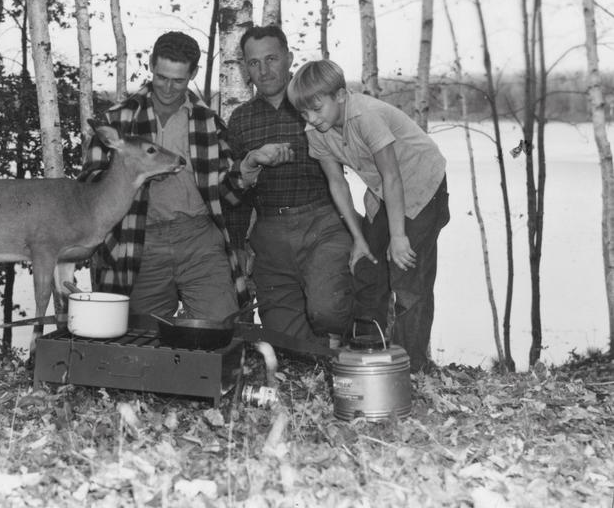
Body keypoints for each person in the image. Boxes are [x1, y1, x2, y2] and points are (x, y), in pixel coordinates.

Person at [286, 59, 449, 372]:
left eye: (316, 108)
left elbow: (393, 175)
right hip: (385, 192)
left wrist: (399, 237)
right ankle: (367, 360)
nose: (310, 118)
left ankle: (409, 368)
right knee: (367, 269)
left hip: (422, 183)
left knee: (405, 273)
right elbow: (337, 183)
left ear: (341, 96)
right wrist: (360, 239)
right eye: (303, 112)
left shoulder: (366, 116)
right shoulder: (316, 131)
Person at [78, 31, 249, 321]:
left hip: (200, 241)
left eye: (179, 80)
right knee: (143, 341)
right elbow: (88, 188)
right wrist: (130, 177)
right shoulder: (116, 121)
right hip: (141, 243)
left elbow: (228, 194)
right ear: (150, 65)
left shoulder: (209, 122)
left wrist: (246, 172)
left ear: (193, 73)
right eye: (162, 77)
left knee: (220, 331)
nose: (168, 88)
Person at [225, 25, 354, 345]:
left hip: (321, 224)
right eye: (254, 63)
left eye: (272, 59)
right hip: (270, 235)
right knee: (288, 345)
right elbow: (235, 193)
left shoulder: (315, 105)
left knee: (327, 312)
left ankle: (356, 345)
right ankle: (315, 372)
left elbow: (357, 161)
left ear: (289, 58)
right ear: (245, 68)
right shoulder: (241, 119)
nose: (264, 70)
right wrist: (239, 245)